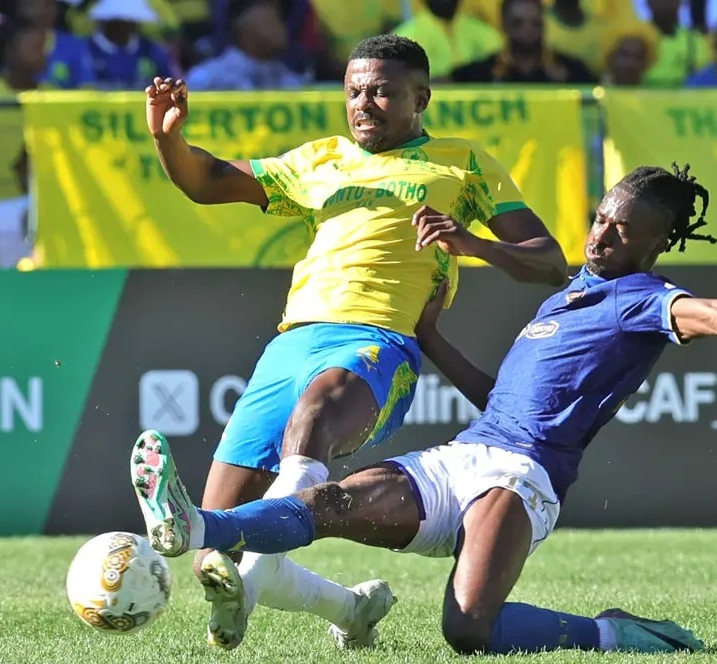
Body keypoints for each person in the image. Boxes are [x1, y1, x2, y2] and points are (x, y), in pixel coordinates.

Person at [130, 163, 717, 655]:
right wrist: (430, 339)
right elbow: (499, 398)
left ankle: (612, 633)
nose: (603, 237)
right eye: (601, 218)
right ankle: (196, 528)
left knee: (468, 631)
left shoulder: (645, 298)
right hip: (464, 454)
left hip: (521, 478)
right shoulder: (567, 298)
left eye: (625, 232)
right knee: (324, 503)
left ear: (656, 246)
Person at [143, 33, 567, 651]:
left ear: (420, 96)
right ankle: (352, 607)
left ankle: (248, 586)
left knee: (317, 411)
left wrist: (473, 245)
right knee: (219, 547)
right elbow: (207, 181)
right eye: (353, 91)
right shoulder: (321, 160)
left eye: (381, 91)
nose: (363, 103)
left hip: (378, 344)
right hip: (288, 348)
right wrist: (167, 139)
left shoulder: (462, 164)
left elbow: (550, 261)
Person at [451, 0, 596, 84]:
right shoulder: (481, 73)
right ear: (504, 24)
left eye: (535, 23)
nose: (528, 30)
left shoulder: (572, 72)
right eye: (518, 23)